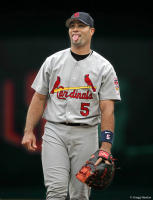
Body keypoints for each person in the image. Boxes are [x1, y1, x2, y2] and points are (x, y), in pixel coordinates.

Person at [21, 11, 121, 200]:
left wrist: (106, 146)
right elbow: (39, 98)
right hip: (54, 132)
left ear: (91, 31)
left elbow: (107, 108)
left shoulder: (103, 66)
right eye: (72, 25)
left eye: (81, 25)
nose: (75, 29)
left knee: (80, 194)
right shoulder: (53, 61)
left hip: (87, 133)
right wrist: (28, 130)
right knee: (55, 191)